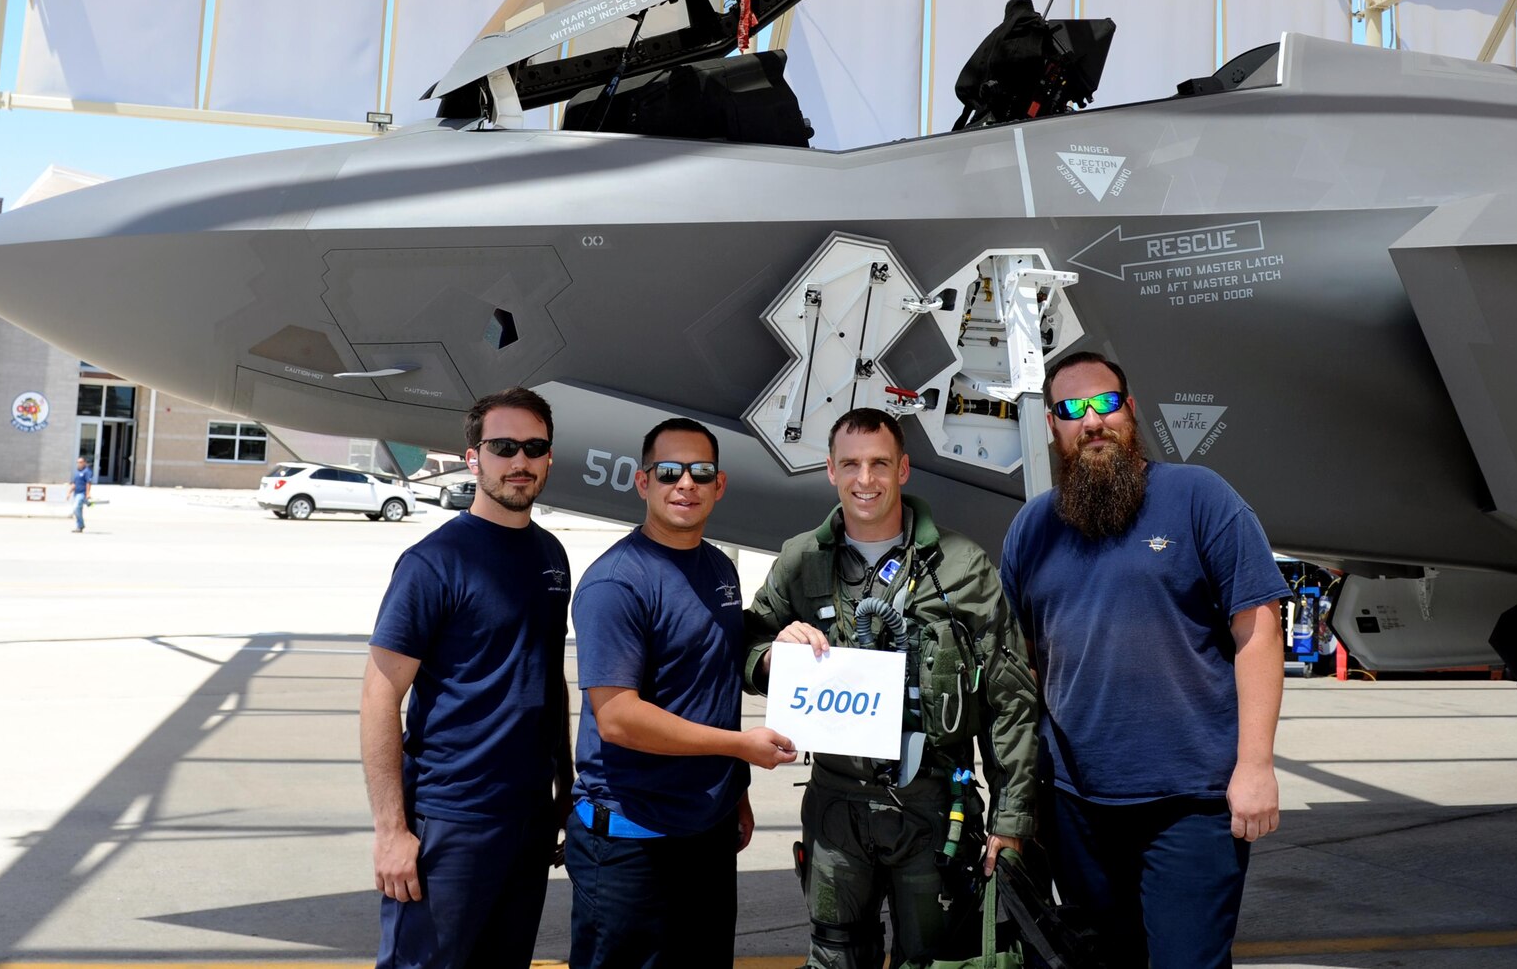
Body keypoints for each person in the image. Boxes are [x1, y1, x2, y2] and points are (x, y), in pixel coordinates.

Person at [999, 351, 1289, 969]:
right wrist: (1018, 798)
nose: (1091, 420)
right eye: (1071, 410)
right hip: (1075, 806)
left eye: (1104, 402)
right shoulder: (1031, 528)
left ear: (1130, 411)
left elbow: (1259, 630)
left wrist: (1256, 764)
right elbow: (1018, 667)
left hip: (1190, 803)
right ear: (1053, 426)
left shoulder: (1198, 496)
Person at [744, 407, 1041, 969]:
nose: (865, 479)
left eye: (880, 463)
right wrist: (774, 658)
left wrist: (1011, 821)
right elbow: (750, 647)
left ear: (903, 470)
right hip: (835, 807)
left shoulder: (961, 566)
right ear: (830, 470)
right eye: (851, 464)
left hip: (934, 807)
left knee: (937, 959)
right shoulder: (801, 560)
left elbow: (1010, 702)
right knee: (835, 956)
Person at [566, 417, 797, 969]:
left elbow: (712, 684)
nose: (685, 484)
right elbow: (618, 718)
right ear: (643, 482)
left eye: (701, 472)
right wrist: (739, 748)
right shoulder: (616, 583)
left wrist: (733, 789)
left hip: (706, 832)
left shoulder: (718, 568)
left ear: (720, 485)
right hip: (630, 838)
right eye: (669, 472)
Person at [359, 386, 573, 968]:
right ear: (473, 456)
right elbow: (380, 696)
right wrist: (391, 831)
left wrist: (565, 787)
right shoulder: (433, 562)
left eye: (534, 447)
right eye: (503, 446)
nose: (520, 461)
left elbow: (547, 679)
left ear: (550, 457)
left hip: (527, 823)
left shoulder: (552, 556)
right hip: (449, 822)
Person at [67, 456, 93, 533]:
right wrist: (69, 492)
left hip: (82, 493)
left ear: (84, 463)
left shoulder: (87, 471)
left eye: (81, 462)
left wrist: (88, 493)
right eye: (78, 462)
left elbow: (88, 483)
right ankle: (79, 526)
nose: (79, 464)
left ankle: (80, 524)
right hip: (76, 493)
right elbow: (74, 484)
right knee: (78, 510)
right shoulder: (77, 472)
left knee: (76, 508)